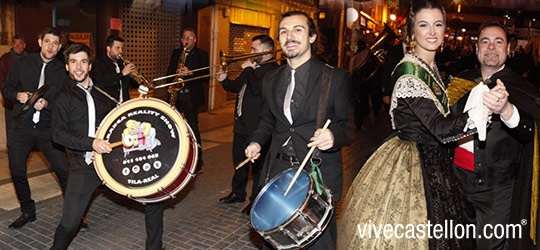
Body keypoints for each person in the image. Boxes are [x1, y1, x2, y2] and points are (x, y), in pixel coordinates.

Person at [337, 1, 510, 249]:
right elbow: (440, 128)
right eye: (423, 25)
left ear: (445, 30)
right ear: (412, 31)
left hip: (433, 159)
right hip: (410, 163)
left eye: (437, 25)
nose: (431, 32)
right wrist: (485, 109)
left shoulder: (429, 66)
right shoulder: (410, 71)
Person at [245, 11, 355, 250]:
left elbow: (349, 126)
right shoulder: (270, 79)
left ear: (312, 37)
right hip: (278, 172)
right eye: (284, 31)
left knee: (319, 243)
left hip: (318, 173)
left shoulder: (335, 77)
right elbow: (266, 120)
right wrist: (255, 142)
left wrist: (333, 136)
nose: (289, 36)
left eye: (298, 30)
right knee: (274, 243)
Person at [50, 43, 164, 250]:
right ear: (67, 67)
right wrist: (91, 143)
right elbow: (58, 134)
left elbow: (120, 119)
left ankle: (155, 247)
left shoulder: (103, 92)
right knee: (70, 223)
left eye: (83, 61)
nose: (78, 67)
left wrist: (142, 104)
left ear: (89, 66)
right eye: (73, 62)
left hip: (113, 160)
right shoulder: (63, 97)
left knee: (153, 197)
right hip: (85, 166)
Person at [449, 21, 537, 250]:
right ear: (476, 48)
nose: (491, 47)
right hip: (457, 184)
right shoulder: (460, 81)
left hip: (497, 190)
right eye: (485, 41)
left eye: (498, 42)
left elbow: (531, 132)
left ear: (509, 49)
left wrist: (506, 110)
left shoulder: (521, 88)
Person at [1, 27, 70, 229]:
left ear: (59, 47)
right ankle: (28, 211)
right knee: (17, 171)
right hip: (21, 126)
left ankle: (74, 214)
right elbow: (7, 88)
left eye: (55, 43)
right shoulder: (22, 63)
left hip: (48, 128)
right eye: (47, 41)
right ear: (40, 42)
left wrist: (48, 105)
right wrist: (18, 96)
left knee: (64, 171)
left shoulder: (62, 70)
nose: (51, 47)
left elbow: (65, 101)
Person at [216, 35, 279, 214]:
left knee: (258, 169)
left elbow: (257, 89)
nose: (250, 53)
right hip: (241, 125)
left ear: (267, 52)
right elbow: (238, 86)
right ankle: (238, 193)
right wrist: (223, 80)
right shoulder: (253, 69)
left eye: (254, 49)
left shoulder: (273, 71)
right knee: (239, 163)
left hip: (258, 130)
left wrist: (250, 71)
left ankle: (256, 201)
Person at [166, 27, 209, 173]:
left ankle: (198, 162)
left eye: (190, 37)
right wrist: (170, 84)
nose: (186, 40)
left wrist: (190, 72)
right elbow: (170, 71)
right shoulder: (176, 53)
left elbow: (206, 75)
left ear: (195, 40)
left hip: (191, 96)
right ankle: (175, 159)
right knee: (173, 128)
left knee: (193, 129)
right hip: (176, 95)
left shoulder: (202, 54)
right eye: (184, 37)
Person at [91, 35, 138, 103]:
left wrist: (134, 77)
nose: (121, 51)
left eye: (122, 48)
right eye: (117, 48)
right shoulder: (99, 63)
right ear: (108, 48)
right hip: (108, 105)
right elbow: (101, 82)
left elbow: (133, 86)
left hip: (124, 104)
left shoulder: (122, 64)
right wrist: (122, 74)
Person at [0, 34, 27, 137]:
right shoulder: (5, 59)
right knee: (11, 129)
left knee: (25, 132)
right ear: (12, 45)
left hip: (26, 104)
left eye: (20, 44)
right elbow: (1, 78)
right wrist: (8, 93)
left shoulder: (30, 59)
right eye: (15, 44)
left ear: (24, 45)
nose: (18, 46)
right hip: (10, 102)